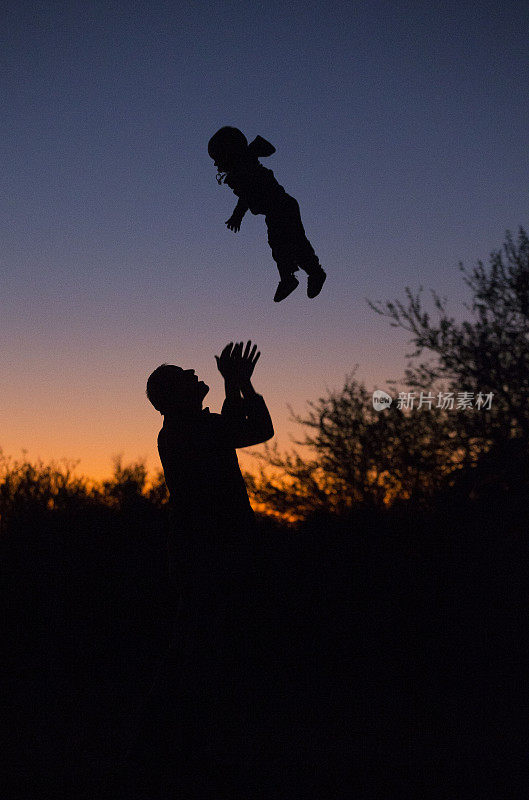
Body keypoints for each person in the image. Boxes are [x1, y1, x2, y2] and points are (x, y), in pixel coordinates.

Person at [130, 341, 274, 797]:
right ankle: (164, 743)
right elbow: (241, 425)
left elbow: (260, 429)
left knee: (206, 646)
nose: (195, 371)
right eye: (183, 375)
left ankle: (178, 740)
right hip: (206, 559)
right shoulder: (183, 431)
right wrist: (235, 385)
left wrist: (242, 385)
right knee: (198, 647)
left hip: (220, 554)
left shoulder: (198, 426)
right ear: (173, 397)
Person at [208, 126, 327, 303]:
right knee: (286, 245)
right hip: (276, 211)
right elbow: (247, 196)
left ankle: (300, 275)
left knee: (290, 244)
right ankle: (297, 275)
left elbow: (247, 195)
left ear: (228, 153)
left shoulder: (245, 170)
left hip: (282, 208)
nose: (216, 164)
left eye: (218, 158)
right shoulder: (244, 169)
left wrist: (237, 215)